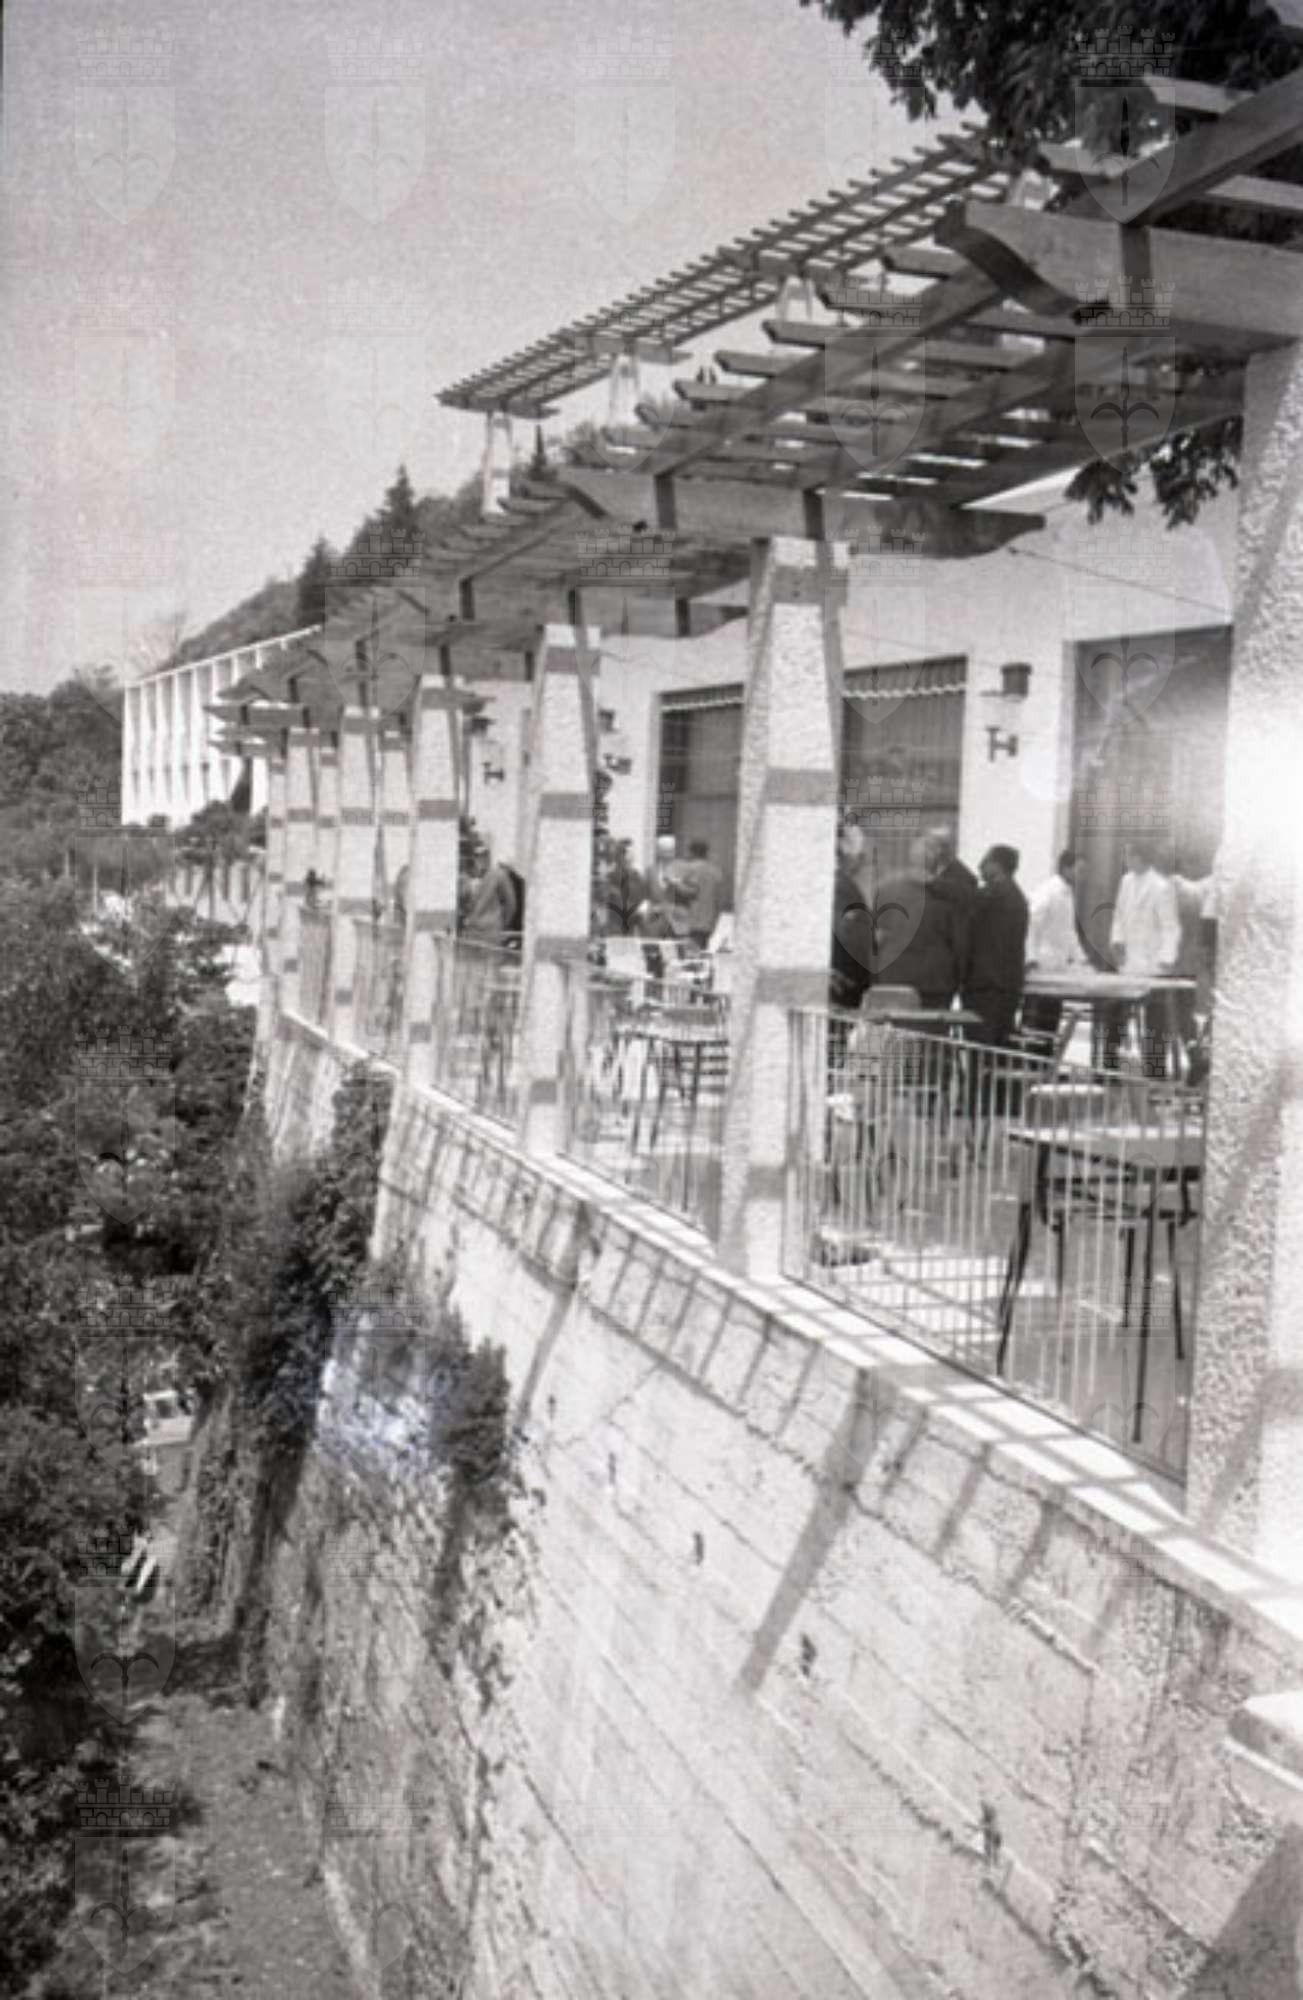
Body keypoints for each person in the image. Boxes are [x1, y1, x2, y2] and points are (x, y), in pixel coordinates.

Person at [1102, 839, 1181, 1071]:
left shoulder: (1161, 887)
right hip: (1129, 962)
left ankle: (1155, 1069)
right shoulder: (1126, 881)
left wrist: (1166, 958)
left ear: (1140, 857)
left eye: (1129, 855)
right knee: (1115, 1011)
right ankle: (1108, 1066)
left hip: (1152, 962)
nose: (1126, 860)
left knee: (1155, 1018)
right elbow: (1118, 915)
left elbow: (1170, 926)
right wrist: (1116, 940)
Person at [871, 834, 966, 1010]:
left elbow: (877, 937)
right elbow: (959, 943)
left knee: (895, 1025)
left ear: (911, 856)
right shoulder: (951, 894)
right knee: (931, 1026)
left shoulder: (886, 888)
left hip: (894, 977)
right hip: (936, 980)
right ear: (938, 860)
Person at [964, 845, 1029, 1047]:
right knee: (998, 1047)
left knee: (981, 1047)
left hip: (987, 986)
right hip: (1005, 986)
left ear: (997, 866)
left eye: (985, 861)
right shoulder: (1016, 896)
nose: (980, 866)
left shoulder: (992, 896)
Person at [1022, 848, 1085, 1053]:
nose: (1081, 875)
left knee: (1051, 1017)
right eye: (1078, 870)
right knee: (1036, 1018)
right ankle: (1032, 1059)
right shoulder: (1047, 891)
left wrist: (1081, 959)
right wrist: (1030, 957)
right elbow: (1031, 925)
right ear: (1066, 868)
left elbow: (1069, 931)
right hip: (1042, 964)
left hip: (1056, 966)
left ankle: (1045, 1058)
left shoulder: (1067, 893)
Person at [830, 820, 875, 1011]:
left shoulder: (841, 885)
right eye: (861, 855)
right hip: (844, 984)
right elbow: (850, 936)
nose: (864, 861)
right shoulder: (843, 887)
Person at [462, 845, 523, 945]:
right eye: (477, 857)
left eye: (483, 857)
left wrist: (504, 923)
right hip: (476, 931)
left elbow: (511, 903)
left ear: (489, 858)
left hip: (490, 930)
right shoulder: (474, 879)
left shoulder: (499, 875)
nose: (480, 861)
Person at [680, 837, 725, 951]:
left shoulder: (690, 869)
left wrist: (676, 885)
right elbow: (719, 900)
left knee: (688, 955)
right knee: (701, 954)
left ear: (692, 852)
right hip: (708, 922)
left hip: (691, 922)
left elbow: (691, 891)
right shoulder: (716, 871)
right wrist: (714, 922)